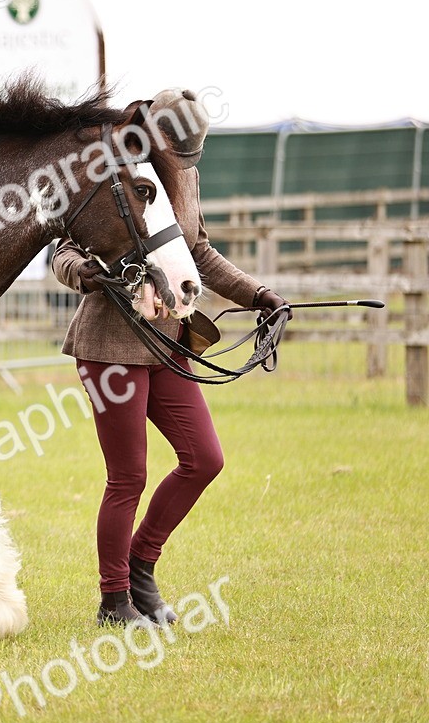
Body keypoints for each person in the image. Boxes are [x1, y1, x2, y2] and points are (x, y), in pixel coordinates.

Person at [52, 171, 288, 628]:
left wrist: (259, 295)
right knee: (128, 477)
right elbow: (65, 250)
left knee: (204, 459)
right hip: (110, 348)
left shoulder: (185, 176)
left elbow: (199, 253)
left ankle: (140, 566)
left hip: (168, 343)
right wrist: (82, 273)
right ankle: (114, 599)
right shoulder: (114, 172)